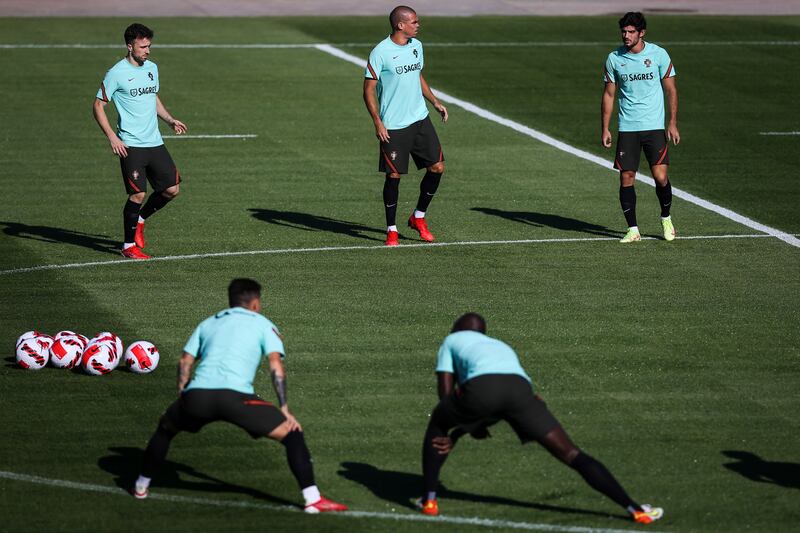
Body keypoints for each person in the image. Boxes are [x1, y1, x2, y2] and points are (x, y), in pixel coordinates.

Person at [418, 312, 663, 525]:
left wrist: (453, 431)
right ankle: (636, 510)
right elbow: (503, 404)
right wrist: (465, 429)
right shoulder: (499, 345)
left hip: (484, 388)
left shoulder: (452, 340)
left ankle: (429, 500)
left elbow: (446, 396)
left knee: (438, 420)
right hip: (522, 391)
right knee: (571, 453)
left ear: (457, 329)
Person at [132, 278, 348, 514]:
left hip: (197, 397)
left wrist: (182, 396)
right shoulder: (264, 324)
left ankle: (141, 486)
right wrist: (284, 408)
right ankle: (312, 499)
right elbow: (275, 366)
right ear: (255, 303)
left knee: (166, 428)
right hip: (237, 400)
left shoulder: (209, 323)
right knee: (292, 434)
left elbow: (185, 361)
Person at [92, 23, 187, 259]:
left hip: (154, 141)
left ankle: (141, 220)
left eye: (149, 46)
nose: (148, 51)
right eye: (143, 46)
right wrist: (112, 137)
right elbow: (98, 106)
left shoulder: (151, 68)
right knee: (137, 195)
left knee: (172, 189)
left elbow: (152, 97)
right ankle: (127, 247)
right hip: (131, 144)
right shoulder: (116, 73)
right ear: (129, 46)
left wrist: (169, 120)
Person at [363, 5, 448, 247]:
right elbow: (368, 89)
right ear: (400, 25)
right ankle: (392, 229)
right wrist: (378, 122)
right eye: (414, 21)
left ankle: (418, 217)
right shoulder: (380, 52)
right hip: (394, 126)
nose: (418, 24)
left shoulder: (416, 46)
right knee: (394, 175)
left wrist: (434, 101)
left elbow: (417, 75)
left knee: (437, 168)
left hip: (420, 119)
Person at [601, 12, 680, 243]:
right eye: (624, 32)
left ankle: (666, 218)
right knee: (626, 176)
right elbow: (608, 94)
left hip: (654, 126)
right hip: (628, 127)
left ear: (641, 33)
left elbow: (671, 90)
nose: (626, 36)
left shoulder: (659, 55)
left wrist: (672, 122)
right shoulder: (614, 58)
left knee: (661, 176)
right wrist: (605, 128)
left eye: (631, 32)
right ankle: (633, 229)